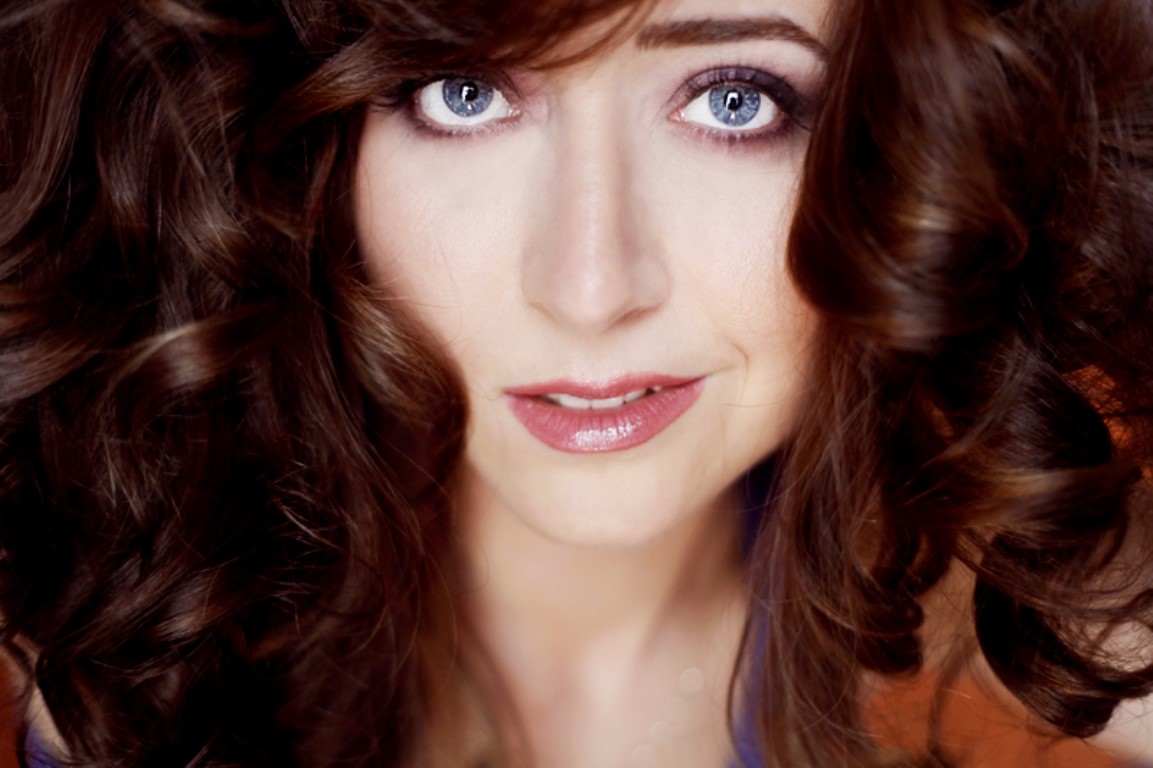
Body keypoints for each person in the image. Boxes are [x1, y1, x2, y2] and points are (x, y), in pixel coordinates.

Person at [1, 0, 1151, 766]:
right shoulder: (113, 593)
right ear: (307, 150)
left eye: (735, 100)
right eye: (461, 93)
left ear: (913, 150)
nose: (588, 286)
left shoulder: (1024, 591)